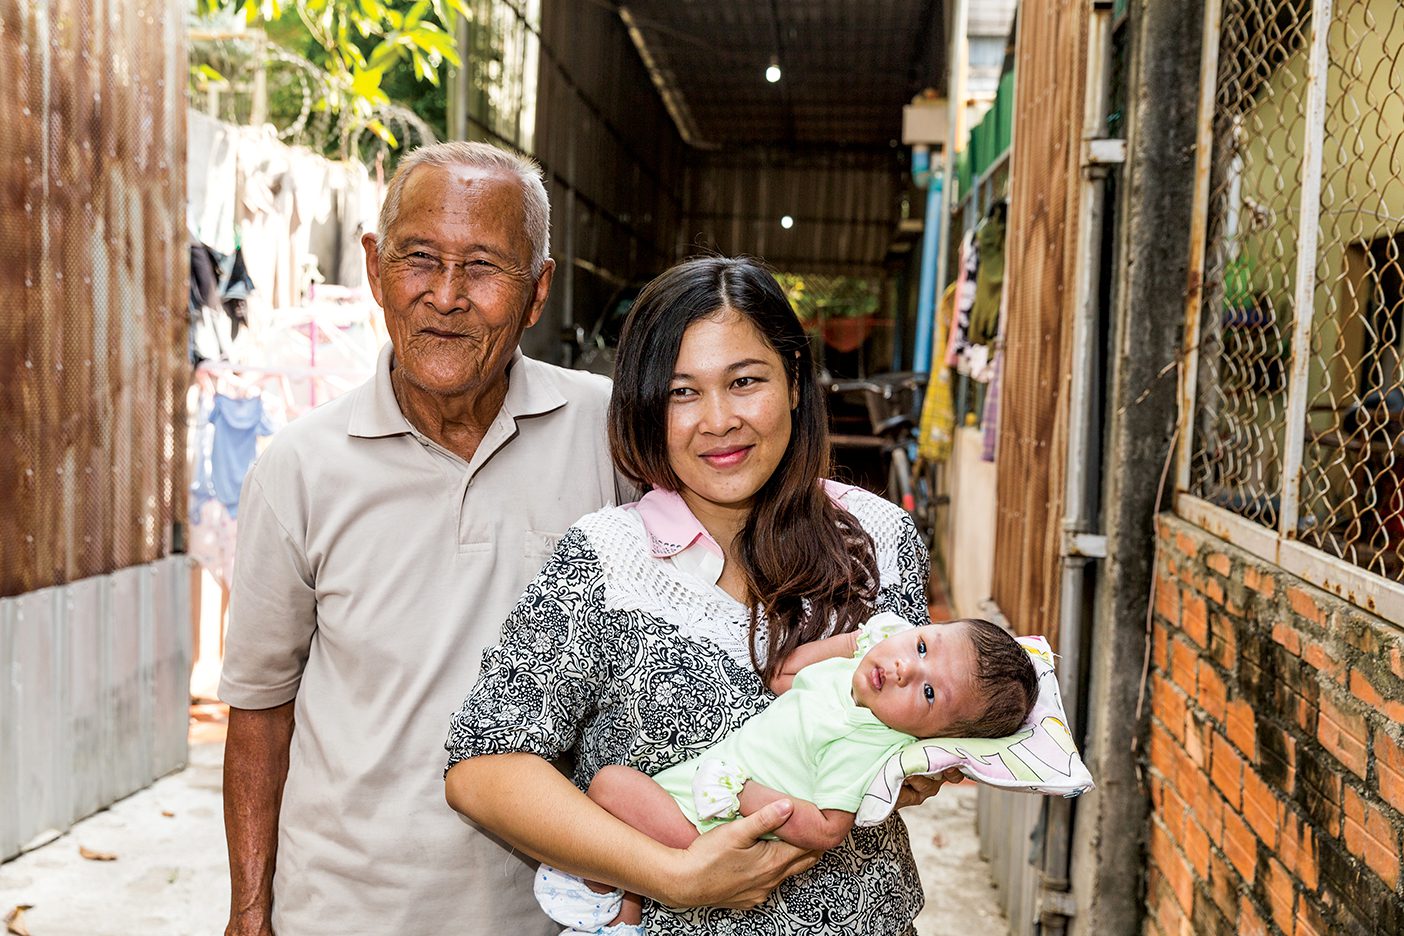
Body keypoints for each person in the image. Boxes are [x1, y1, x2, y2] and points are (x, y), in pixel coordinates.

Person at [445, 256, 964, 935]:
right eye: (682, 392)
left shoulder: (882, 537)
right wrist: (672, 877)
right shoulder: (607, 559)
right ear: (646, 406)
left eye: (745, 381)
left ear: (797, 382)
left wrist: (917, 764)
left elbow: (907, 732)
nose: (718, 420)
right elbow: (483, 765)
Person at [219, 141, 627, 935]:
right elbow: (259, 710)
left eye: (483, 267)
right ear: (374, 269)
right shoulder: (298, 469)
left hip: (556, 915)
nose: (445, 296)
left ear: (538, 290)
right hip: (342, 911)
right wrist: (249, 910)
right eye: (418, 259)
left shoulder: (609, 433)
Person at [538, 611, 1039, 933]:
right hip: (696, 791)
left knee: (608, 787)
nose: (908, 668)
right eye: (923, 646)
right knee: (616, 805)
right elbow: (783, 675)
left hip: (711, 829)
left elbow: (827, 829)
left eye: (929, 694)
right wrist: (852, 643)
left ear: (935, 737)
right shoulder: (857, 674)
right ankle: (624, 904)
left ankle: (616, 910)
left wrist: (743, 793)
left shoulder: (864, 742)